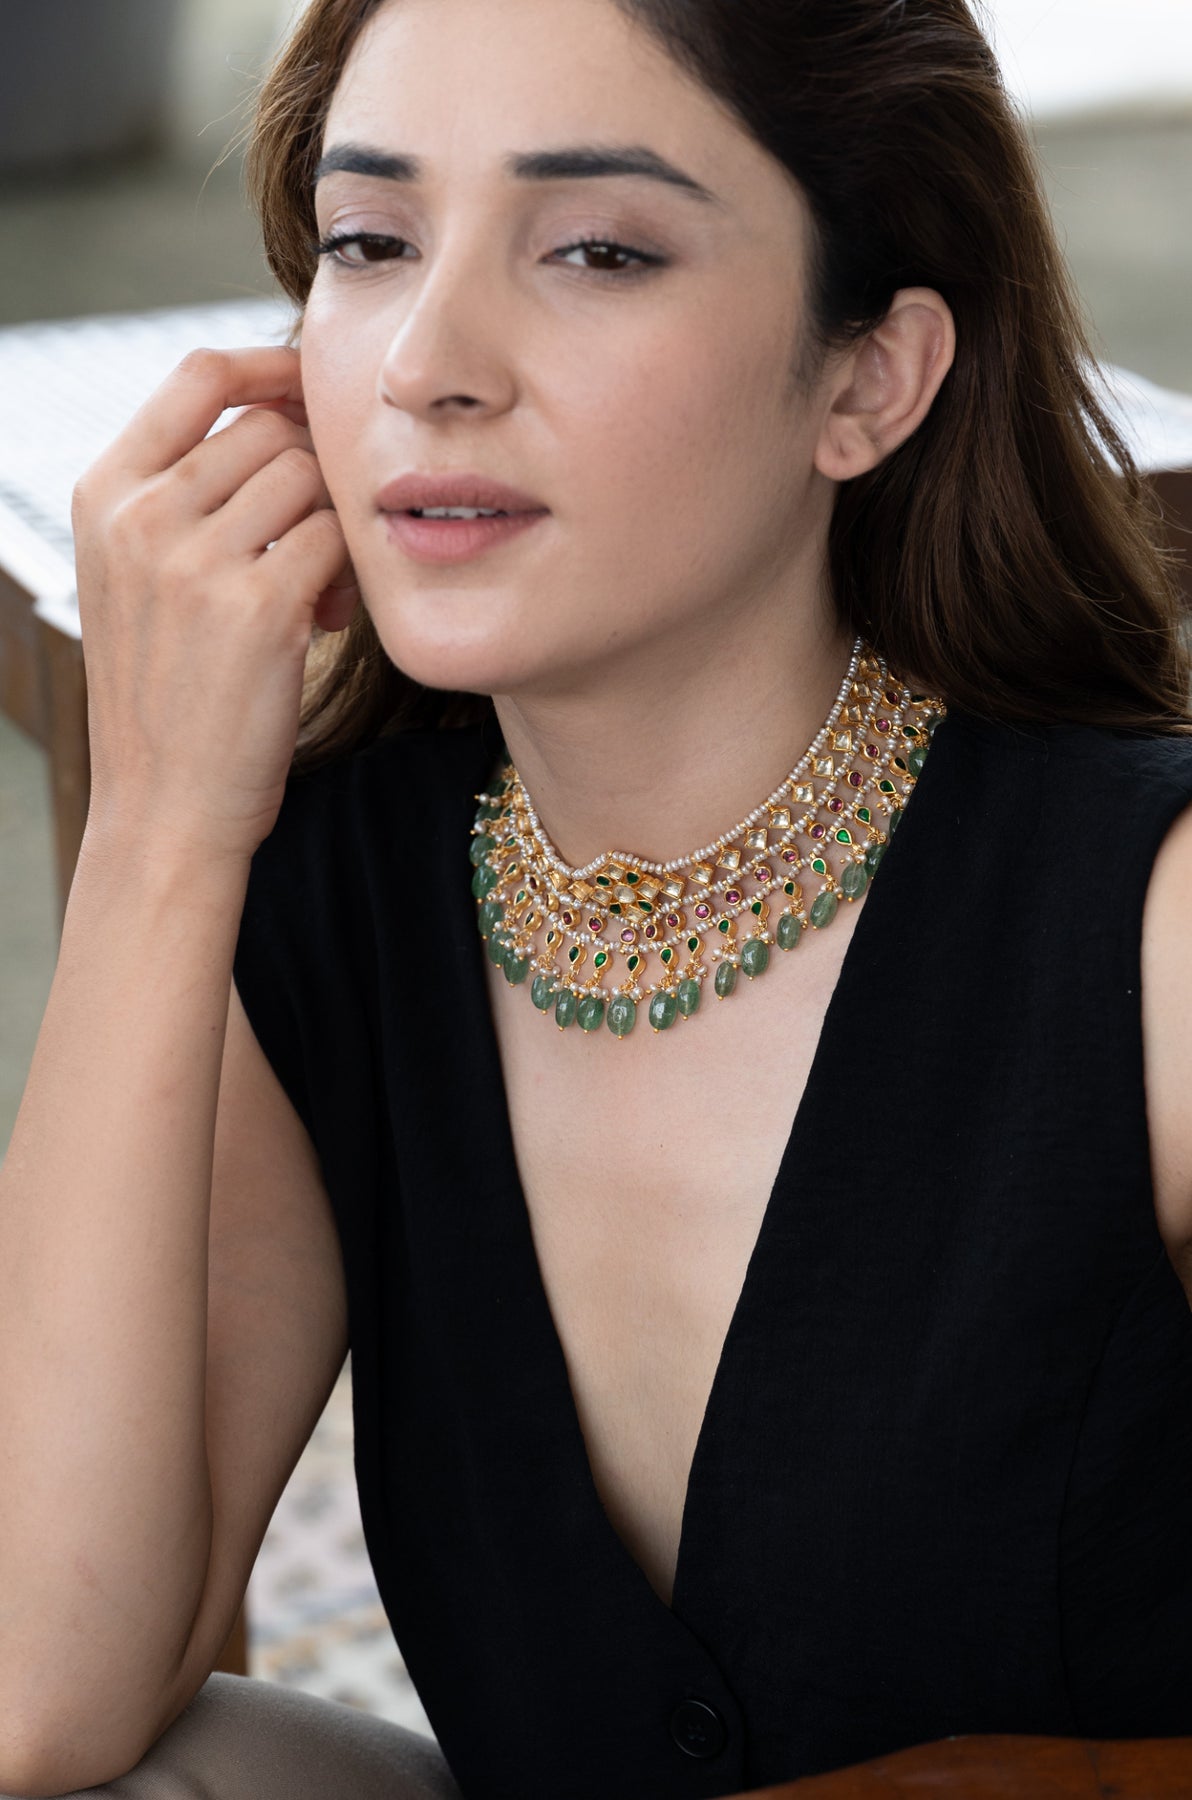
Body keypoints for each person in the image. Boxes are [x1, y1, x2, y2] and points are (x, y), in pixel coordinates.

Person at [2, 0, 1190, 1795]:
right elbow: (36, 1691)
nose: (427, 363)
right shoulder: (329, 899)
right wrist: (160, 825)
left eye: (599, 251)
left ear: (869, 378)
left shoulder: (1153, 927)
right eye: (369, 243)